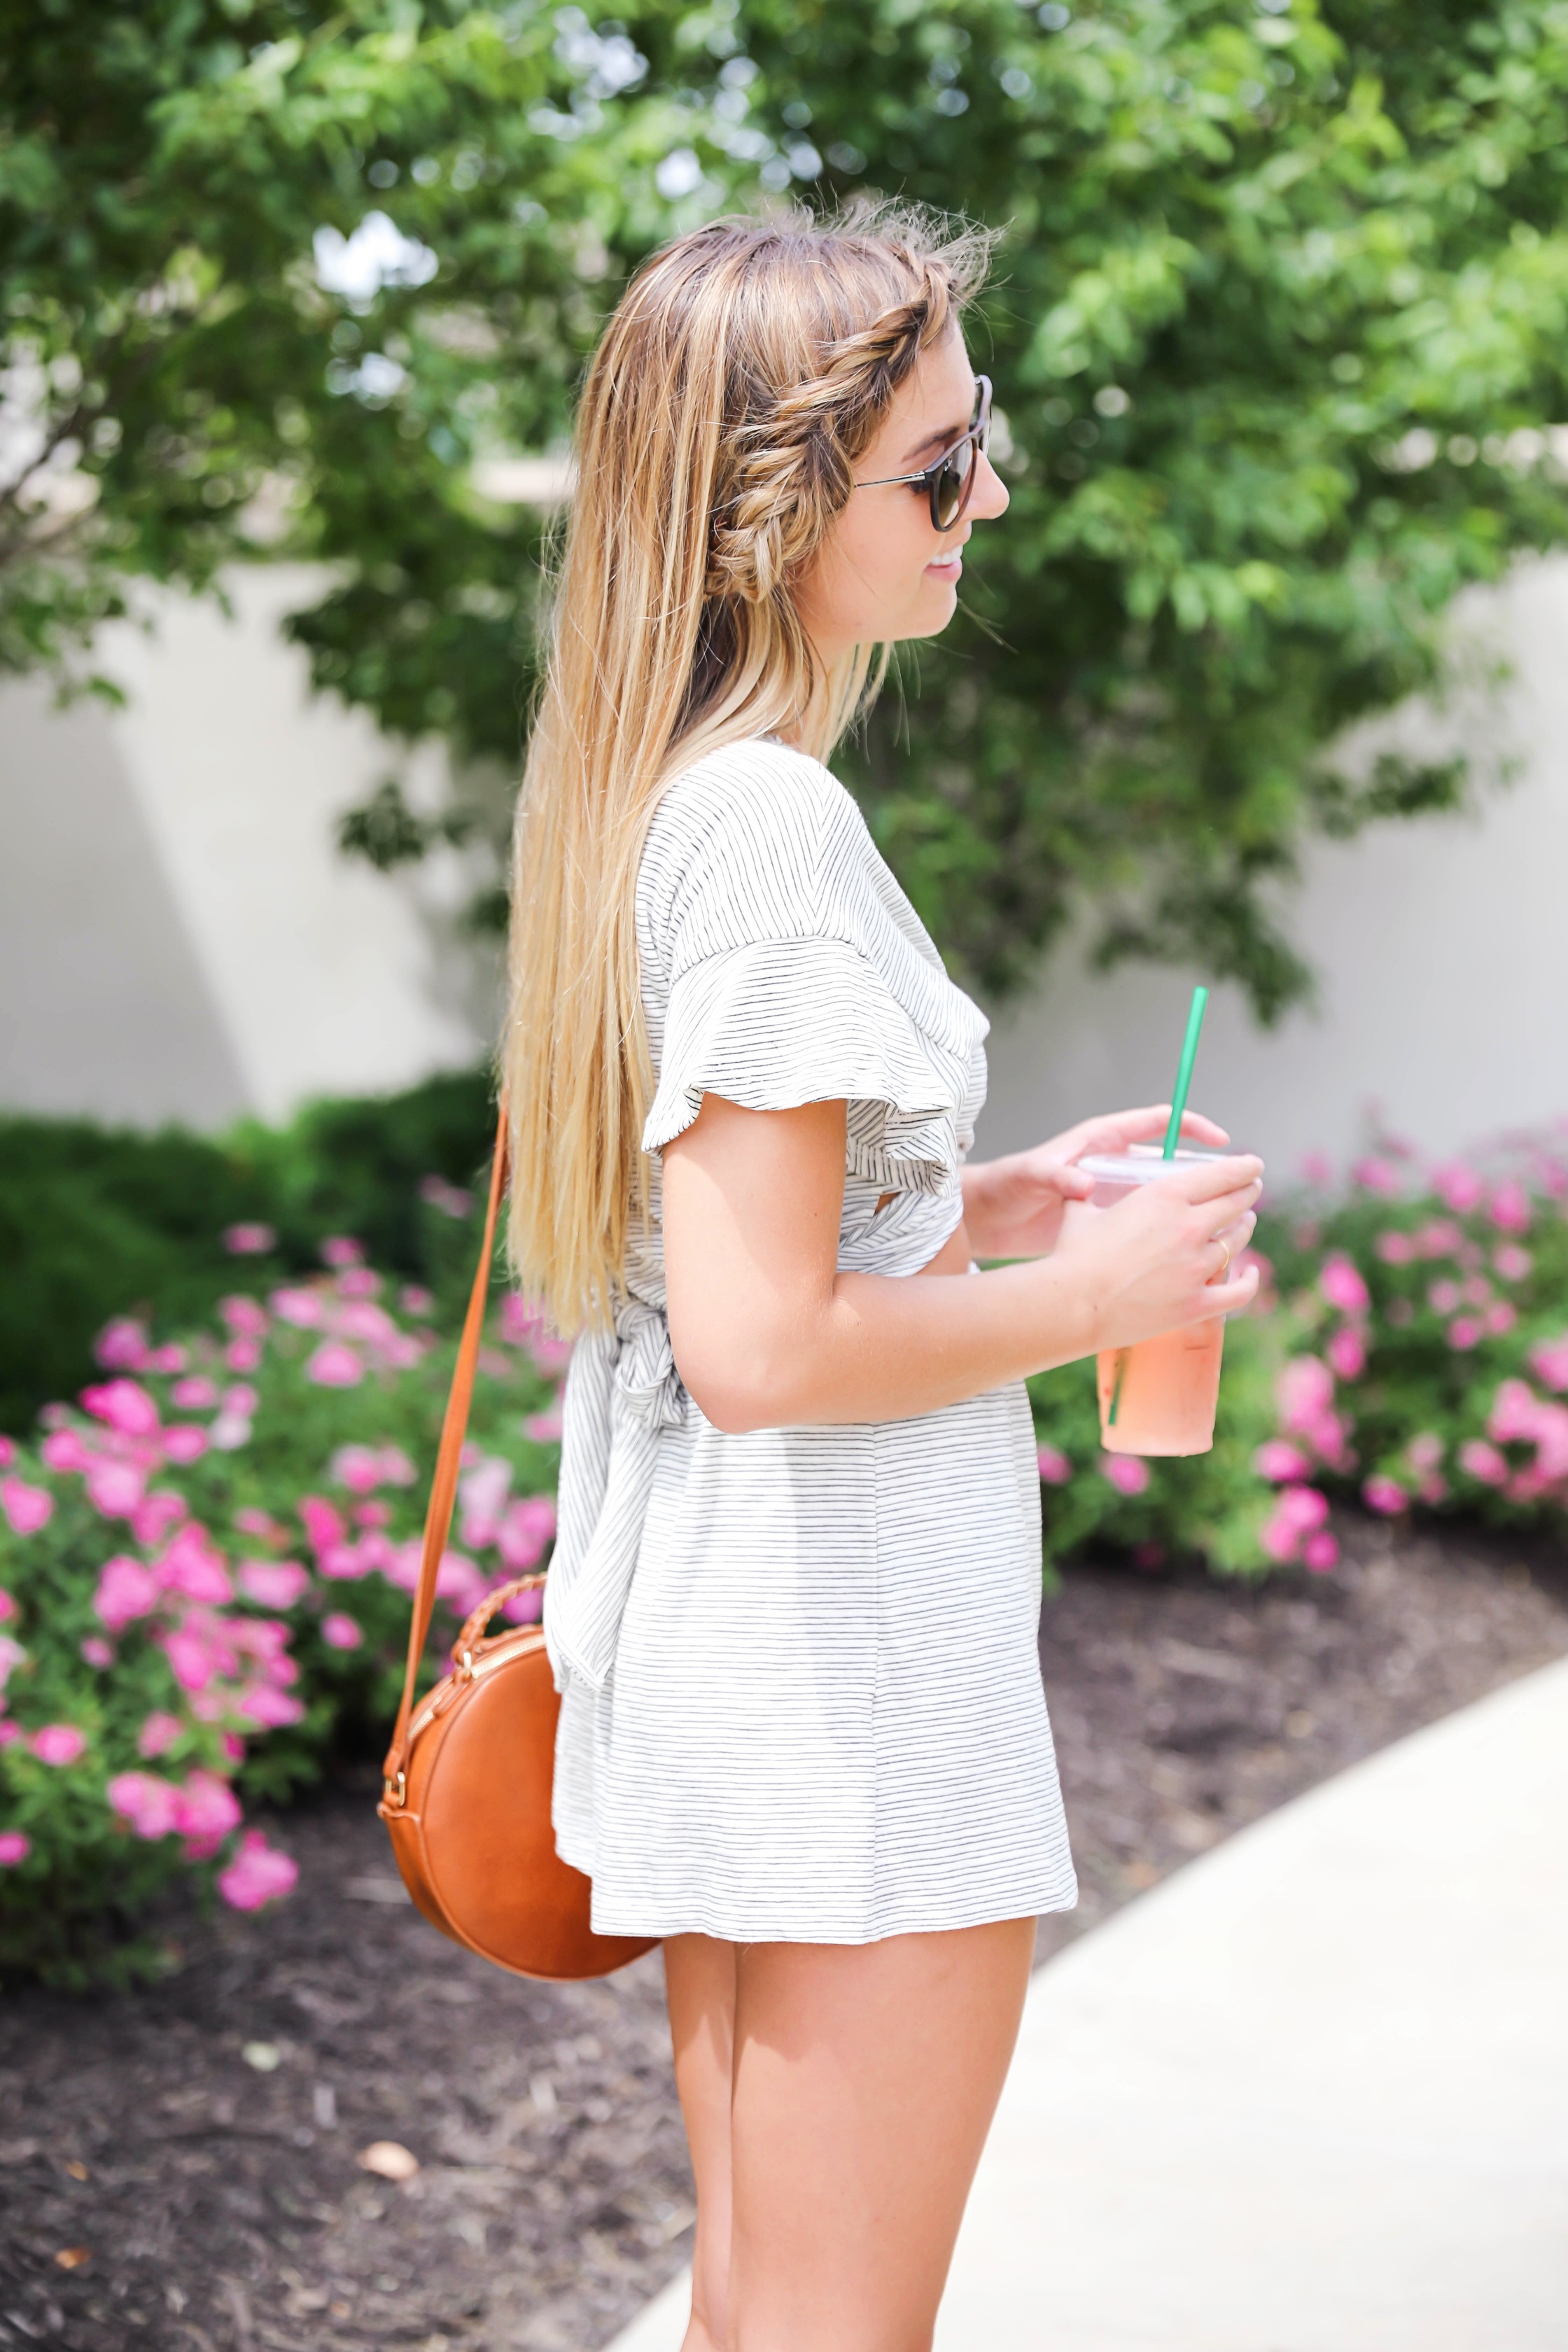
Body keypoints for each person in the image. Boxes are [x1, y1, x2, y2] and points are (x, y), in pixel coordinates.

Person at [502, 202, 1261, 2352]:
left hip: (755, 1676)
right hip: (846, 1703)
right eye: (939, 465)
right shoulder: (769, 831)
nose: (987, 498)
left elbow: (736, 1254)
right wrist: (1108, 1293)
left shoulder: (675, 800)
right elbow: (761, 1348)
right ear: (774, 505)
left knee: (767, 2316)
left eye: (977, 440)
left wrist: (996, 1203)